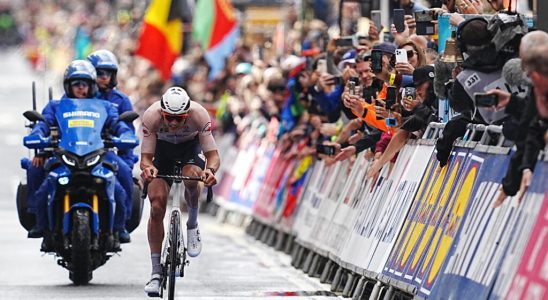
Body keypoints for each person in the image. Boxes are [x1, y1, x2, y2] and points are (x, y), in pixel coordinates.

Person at [28, 60, 134, 251]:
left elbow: (119, 125)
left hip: (99, 155)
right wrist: (37, 135)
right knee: (45, 190)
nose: (81, 88)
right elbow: (43, 125)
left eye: (84, 84)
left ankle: (118, 229)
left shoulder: (106, 106)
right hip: (64, 156)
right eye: (76, 84)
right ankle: (44, 230)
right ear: (68, 85)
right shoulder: (56, 106)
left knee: (118, 188)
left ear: (91, 85)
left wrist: (125, 135)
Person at [141, 87, 220, 296]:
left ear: (188, 114)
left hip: (189, 150)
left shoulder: (199, 114)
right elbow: (146, 158)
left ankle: (192, 223)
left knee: (193, 178)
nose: (174, 124)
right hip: (162, 152)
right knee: (157, 206)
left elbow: (212, 155)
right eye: (169, 118)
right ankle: (156, 272)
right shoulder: (151, 116)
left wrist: (210, 171)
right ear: (162, 113)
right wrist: (148, 169)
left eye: (179, 119)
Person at [87, 49, 136, 243]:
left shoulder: (121, 101)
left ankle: (120, 225)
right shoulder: (78, 94)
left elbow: (127, 133)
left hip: (105, 153)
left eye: (108, 73)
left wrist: (128, 160)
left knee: (124, 173)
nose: (103, 77)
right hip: (74, 152)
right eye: (99, 73)